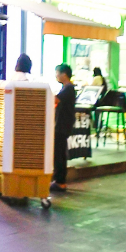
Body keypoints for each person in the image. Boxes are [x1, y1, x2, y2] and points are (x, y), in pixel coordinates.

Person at [52, 63, 75, 193]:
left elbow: (56, 100)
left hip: (62, 126)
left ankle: (60, 182)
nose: (56, 75)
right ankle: (59, 180)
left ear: (63, 74)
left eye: (57, 73)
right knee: (59, 152)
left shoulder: (68, 89)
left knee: (59, 153)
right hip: (63, 125)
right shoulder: (67, 88)